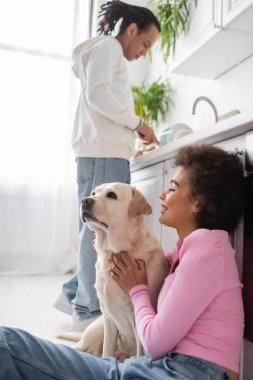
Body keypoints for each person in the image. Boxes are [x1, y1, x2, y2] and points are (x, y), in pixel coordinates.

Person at [0, 144, 244, 380]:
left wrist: (137, 289)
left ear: (197, 203)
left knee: (8, 345)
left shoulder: (207, 249)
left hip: (186, 372)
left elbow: (155, 342)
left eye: (172, 188)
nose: (162, 194)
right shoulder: (190, 251)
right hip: (176, 367)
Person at [53, 0, 161, 330]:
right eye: (145, 43)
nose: (144, 51)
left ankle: (74, 295)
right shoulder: (109, 49)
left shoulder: (104, 52)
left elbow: (99, 98)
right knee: (102, 230)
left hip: (101, 150)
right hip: (103, 152)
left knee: (97, 230)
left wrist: (129, 133)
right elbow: (99, 95)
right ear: (131, 30)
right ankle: (87, 310)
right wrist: (137, 124)